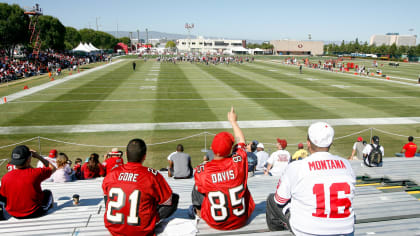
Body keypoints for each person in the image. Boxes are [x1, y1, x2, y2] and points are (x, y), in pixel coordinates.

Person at [266, 122, 356, 235]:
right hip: (345, 229)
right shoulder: (347, 165)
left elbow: (279, 200)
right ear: (331, 142)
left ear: (308, 143)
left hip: (306, 230)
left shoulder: (296, 167)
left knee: (271, 199)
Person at [190, 107, 255, 230]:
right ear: (231, 149)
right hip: (241, 220)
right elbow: (241, 141)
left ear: (211, 148)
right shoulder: (238, 161)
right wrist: (233, 122)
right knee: (240, 180)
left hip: (215, 223)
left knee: (197, 186)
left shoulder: (202, 170)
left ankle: (198, 214)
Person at [103, 138, 179, 235]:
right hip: (141, 230)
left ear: (126, 154)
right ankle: (152, 221)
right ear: (144, 156)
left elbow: (106, 196)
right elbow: (168, 201)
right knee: (174, 198)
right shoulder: (151, 175)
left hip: (114, 229)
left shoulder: (112, 173)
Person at [0, 145, 56, 219]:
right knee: (48, 192)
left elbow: (3, 196)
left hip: (14, 214)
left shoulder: (5, 177)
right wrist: (39, 157)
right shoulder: (35, 173)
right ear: (29, 159)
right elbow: (53, 168)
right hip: (35, 212)